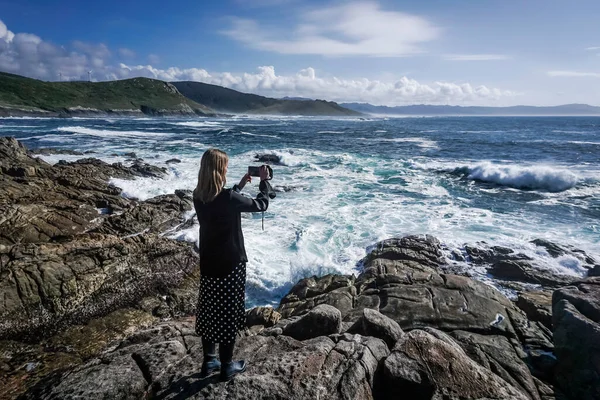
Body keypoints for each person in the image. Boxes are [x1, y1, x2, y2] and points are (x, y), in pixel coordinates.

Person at [192, 148, 274, 381]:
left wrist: (239, 186)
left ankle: (209, 361)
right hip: (231, 264)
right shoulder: (228, 199)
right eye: (225, 166)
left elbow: (222, 203)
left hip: (209, 261)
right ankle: (227, 366)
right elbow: (261, 205)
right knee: (228, 312)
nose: (227, 168)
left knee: (209, 310)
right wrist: (264, 183)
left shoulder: (199, 195)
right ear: (219, 170)